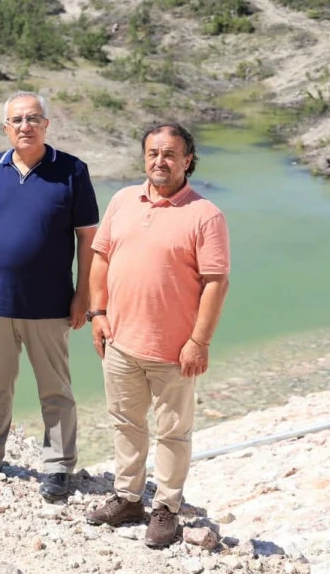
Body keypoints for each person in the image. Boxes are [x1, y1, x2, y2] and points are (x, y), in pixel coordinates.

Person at [0, 92, 99, 501]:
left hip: (50, 303)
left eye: (33, 119)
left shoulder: (72, 171)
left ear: (46, 125)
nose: (25, 126)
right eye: (17, 120)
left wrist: (83, 294)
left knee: (55, 388)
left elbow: (88, 239)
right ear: (6, 128)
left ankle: (58, 466)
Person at [85, 123, 229, 548]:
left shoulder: (206, 215)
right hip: (120, 341)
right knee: (126, 423)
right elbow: (100, 259)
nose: (159, 161)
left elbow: (216, 283)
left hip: (174, 350)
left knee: (173, 432)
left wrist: (199, 342)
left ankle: (166, 507)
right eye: (152, 153)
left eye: (169, 154)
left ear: (187, 160)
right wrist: (97, 313)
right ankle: (128, 498)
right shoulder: (123, 200)